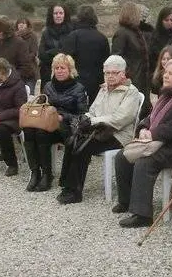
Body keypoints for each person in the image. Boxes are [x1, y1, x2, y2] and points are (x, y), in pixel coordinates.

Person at [113, 58, 172, 227]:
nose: (166, 76)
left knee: (145, 162)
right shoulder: (168, 93)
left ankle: (142, 215)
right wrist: (143, 127)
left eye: (171, 73)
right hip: (161, 141)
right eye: (166, 72)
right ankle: (126, 201)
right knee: (122, 156)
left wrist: (153, 133)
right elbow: (151, 116)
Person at [56, 55, 141, 205]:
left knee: (83, 146)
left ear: (123, 73)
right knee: (72, 141)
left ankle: (75, 192)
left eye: (114, 73)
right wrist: (84, 118)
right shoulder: (104, 89)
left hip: (118, 134)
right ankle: (66, 185)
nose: (110, 76)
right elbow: (93, 111)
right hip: (99, 130)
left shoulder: (131, 92)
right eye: (107, 73)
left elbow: (120, 119)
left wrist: (92, 121)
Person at [23, 53, 88, 192]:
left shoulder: (79, 88)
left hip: (65, 127)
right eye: (56, 68)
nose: (59, 70)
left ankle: (47, 175)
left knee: (41, 134)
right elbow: (42, 105)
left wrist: (62, 117)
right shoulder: (48, 86)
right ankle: (35, 172)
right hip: (47, 124)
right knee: (29, 130)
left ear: (70, 70)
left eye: (63, 68)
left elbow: (82, 115)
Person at [61, 5, 110, 104]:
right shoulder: (102, 38)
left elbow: (65, 61)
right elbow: (106, 62)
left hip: (75, 83)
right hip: (97, 83)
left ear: (79, 18)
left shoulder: (73, 36)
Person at [112, 2, 151, 115]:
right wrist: (126, 76)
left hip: (141, 79)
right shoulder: (122, 34)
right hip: (131, 80)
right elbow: (116, 58)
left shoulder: (136, 33)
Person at [0, 15, 35, 91]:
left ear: (0, 32)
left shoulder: (19, 44)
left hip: (12, 87)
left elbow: (26, 68)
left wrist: (7, 78)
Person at [38, 4, 73, 84]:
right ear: (51, 15)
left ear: (65, 15)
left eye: (61, 13)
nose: (58, 16)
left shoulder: (71, 32)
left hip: (67, 74)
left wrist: (51, 52)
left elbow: (70, 53)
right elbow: (41, 54)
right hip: (48, 73)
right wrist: (57, 54)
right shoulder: (46, 32)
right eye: (55, 13)